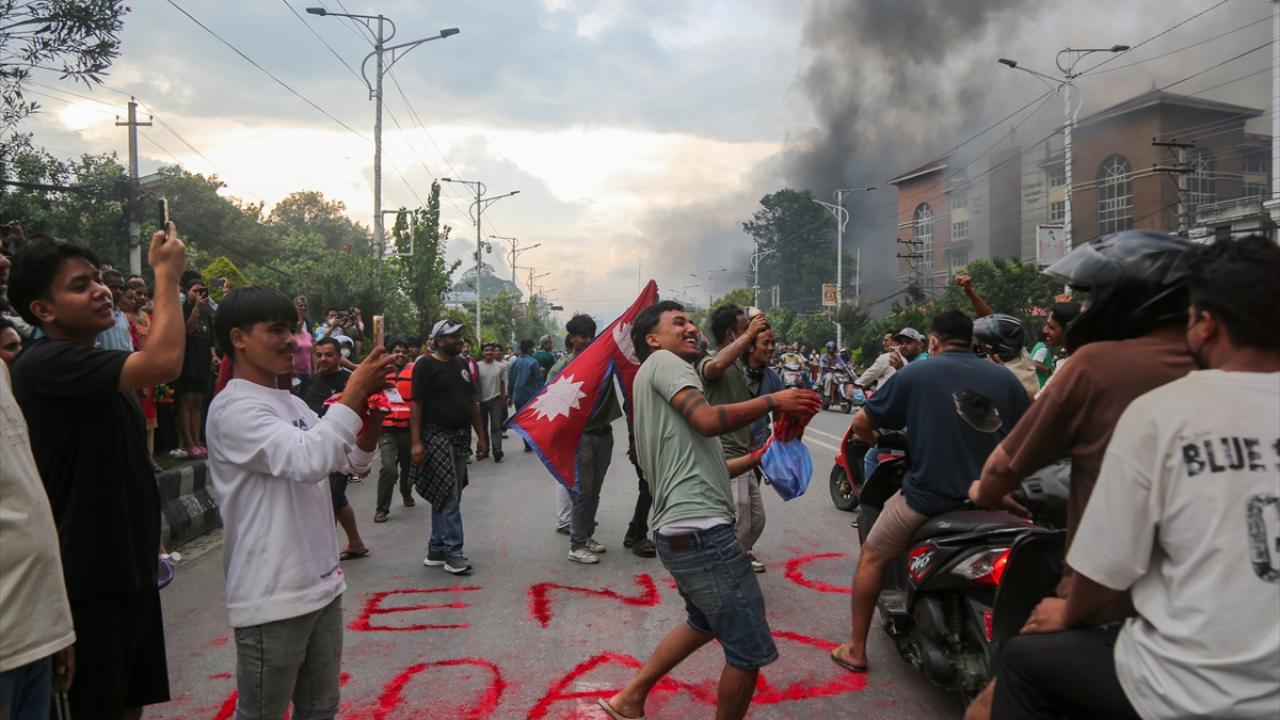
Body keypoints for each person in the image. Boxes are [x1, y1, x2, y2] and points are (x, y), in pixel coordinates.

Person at [990, 235, 1280, 719]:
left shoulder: (1160, 411)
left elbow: (1101, 574)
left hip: (1183, 688)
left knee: (1022, 661)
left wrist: (1068, 611)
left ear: (1206, 325)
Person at [963, 231, 1198, 720]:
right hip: (1202, 603)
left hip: (1106, 596)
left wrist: (985, 491)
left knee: (993, 699)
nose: (1086, 310)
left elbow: (1005, 465)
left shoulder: (1093, 365)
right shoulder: (1219, 367)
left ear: (1129, 301)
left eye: (1094, 298)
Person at [603, 300, 819, 720]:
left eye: (690, 321)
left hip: (682, 529)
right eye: (677, 322)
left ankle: (629, 699)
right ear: (652, 339)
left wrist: (762, 454)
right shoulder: (665, 362)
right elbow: (705, 420)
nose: (689, 328)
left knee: (702, 623)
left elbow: (711, 460)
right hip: (700, 530)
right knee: (748, 650)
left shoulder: (658, 377)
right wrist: (774, 401)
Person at [8, 227, 189, 717]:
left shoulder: (95, 363)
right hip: (83, 582)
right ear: (42, 310)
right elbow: (165, 360)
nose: (100, 290)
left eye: (97, 279)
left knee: (129, 701)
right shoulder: (44, 363)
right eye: (79, 285)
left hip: (128, 572)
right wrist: (166, 278)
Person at [207, 286, 392, 720]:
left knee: (320, 709)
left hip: (323, 586)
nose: (291, 340)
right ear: (238, 337)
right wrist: (354, 391)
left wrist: (369, 425)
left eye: (292, 329)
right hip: (273, 595)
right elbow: (308, 459)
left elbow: (347, 462)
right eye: (275, 330)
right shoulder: (232, 409)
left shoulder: (292, 403)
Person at [830, 310, 1030, 676]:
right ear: (972, 341)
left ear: (933, 342)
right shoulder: (1006, 378)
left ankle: (856, 649)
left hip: (930, 499)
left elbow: (861, 423)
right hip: (997, 501)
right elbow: (1029, 437)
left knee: (873, 555)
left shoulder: (916, 373)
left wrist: (880, 440)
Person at [0, 248, 75, 720]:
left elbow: (26, 504)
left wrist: (54, 625)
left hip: (31, 633)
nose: (4, 262)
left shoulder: (4, 376)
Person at [411, 319, 488, 575]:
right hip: (436, 437)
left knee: (445, 494)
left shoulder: (461, 364)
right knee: (448, 496)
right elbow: (417, 405)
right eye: (453, 337)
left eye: (459, 336)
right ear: (439, 340)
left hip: (459, 438)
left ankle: (436, 548)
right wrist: (416, 442)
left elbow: (471, 402)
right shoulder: (425, 366)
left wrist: (482, 437)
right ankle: (453, 553)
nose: (459, 340)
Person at [698, 305, 770, 573]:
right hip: (725, 456)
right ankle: (724, 571)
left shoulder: (738, 366)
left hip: (745, 455)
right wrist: (749, 335)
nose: (751, 336)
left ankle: (730, 561)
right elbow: (714, 368)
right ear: (731, 334)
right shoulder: (708, 359)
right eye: (744, 329)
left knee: (755, 520)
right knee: (738, 522)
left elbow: (740, 407)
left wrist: (754, 443)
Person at [552, 314, 623, 564]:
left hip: (603, 434)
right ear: (572, 338)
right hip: (580, 437)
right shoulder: (565, 368)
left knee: (594, 491)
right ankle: (577, 544)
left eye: (592, 335)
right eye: (583, 336)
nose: (588, 340)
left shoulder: (605, 363)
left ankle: (586, 535)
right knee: (583, 491)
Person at [299, 337, 370, 561]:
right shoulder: (311, 381)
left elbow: (363, 417)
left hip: (341, 451)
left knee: (329, 500)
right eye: (319, 355)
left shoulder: (350, 382)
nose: (323, 359)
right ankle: (356, 542)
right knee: (337, 500)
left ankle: (321, 554)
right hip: (315, 446)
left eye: (329, 355)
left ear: (340, 357)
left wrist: (362, 456)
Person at [374, 337, 416, 523]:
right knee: (389, 468)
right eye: (396, 351)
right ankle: (382, 508)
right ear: (389, 354)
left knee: (408, 466)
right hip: (387, 428)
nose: (400, 354)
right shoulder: (381, 373)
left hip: (408, 427)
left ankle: (406, 493)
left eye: (403, 351)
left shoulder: (415, 371)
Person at [175, 271, 214, 459]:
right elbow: (186, 331)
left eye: (202, 291)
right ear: (187, 291)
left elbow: (210, 339)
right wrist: (196, 309)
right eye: (195, 291)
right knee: (187, 400)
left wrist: (213, 356)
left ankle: (198, 439)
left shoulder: (208, 312)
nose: (199, 294)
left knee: (198, 401)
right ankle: (188, 441)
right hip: (187, 360)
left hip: (202, 361)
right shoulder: (183, 308)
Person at [972, 313, 1040, 400]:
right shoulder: (1021, 352)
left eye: (982, 342)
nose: (976, 344)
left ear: (995, 350)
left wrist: (998, 373)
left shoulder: (1004, 378)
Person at [1034, 301, 1080, 396]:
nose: (1045, 330)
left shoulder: (1069, 366)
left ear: (1068, 330)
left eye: (1051, 327)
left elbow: (1039, 402)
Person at [507, 338, 543, 452]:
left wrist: (510, 395)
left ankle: (526, 443)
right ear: (530, 348)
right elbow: (538, 378)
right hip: (531, 395)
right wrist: (542, 371)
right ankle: (532, 441)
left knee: (522, 419)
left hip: (518, 395)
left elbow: (511, 380)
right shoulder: (533, 362)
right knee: (532, 419)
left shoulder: (515, 362)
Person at [475, 342, 509, 463]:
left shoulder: (500, 366)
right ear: (482, 352)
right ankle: (486, 449)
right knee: (483, 427)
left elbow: (502, 383)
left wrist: (504, 399)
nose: (489, 352)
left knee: (496, 426)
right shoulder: (477, 366)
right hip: (481, 401)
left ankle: (497, 450)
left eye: (491, 350)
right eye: (486, 350)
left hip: (496, 400)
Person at [97, 269, 134, 352]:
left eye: (121, 288)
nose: (118, 291)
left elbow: (128, 346)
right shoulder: (95, 315)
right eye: (113, 287)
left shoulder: (122, 316)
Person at [292, 295, 314, 388]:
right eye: (300, 306)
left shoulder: (308, 320)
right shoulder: (290, 329)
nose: (303, 308)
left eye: (305, 305)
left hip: (307, 369)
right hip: (294, 370)